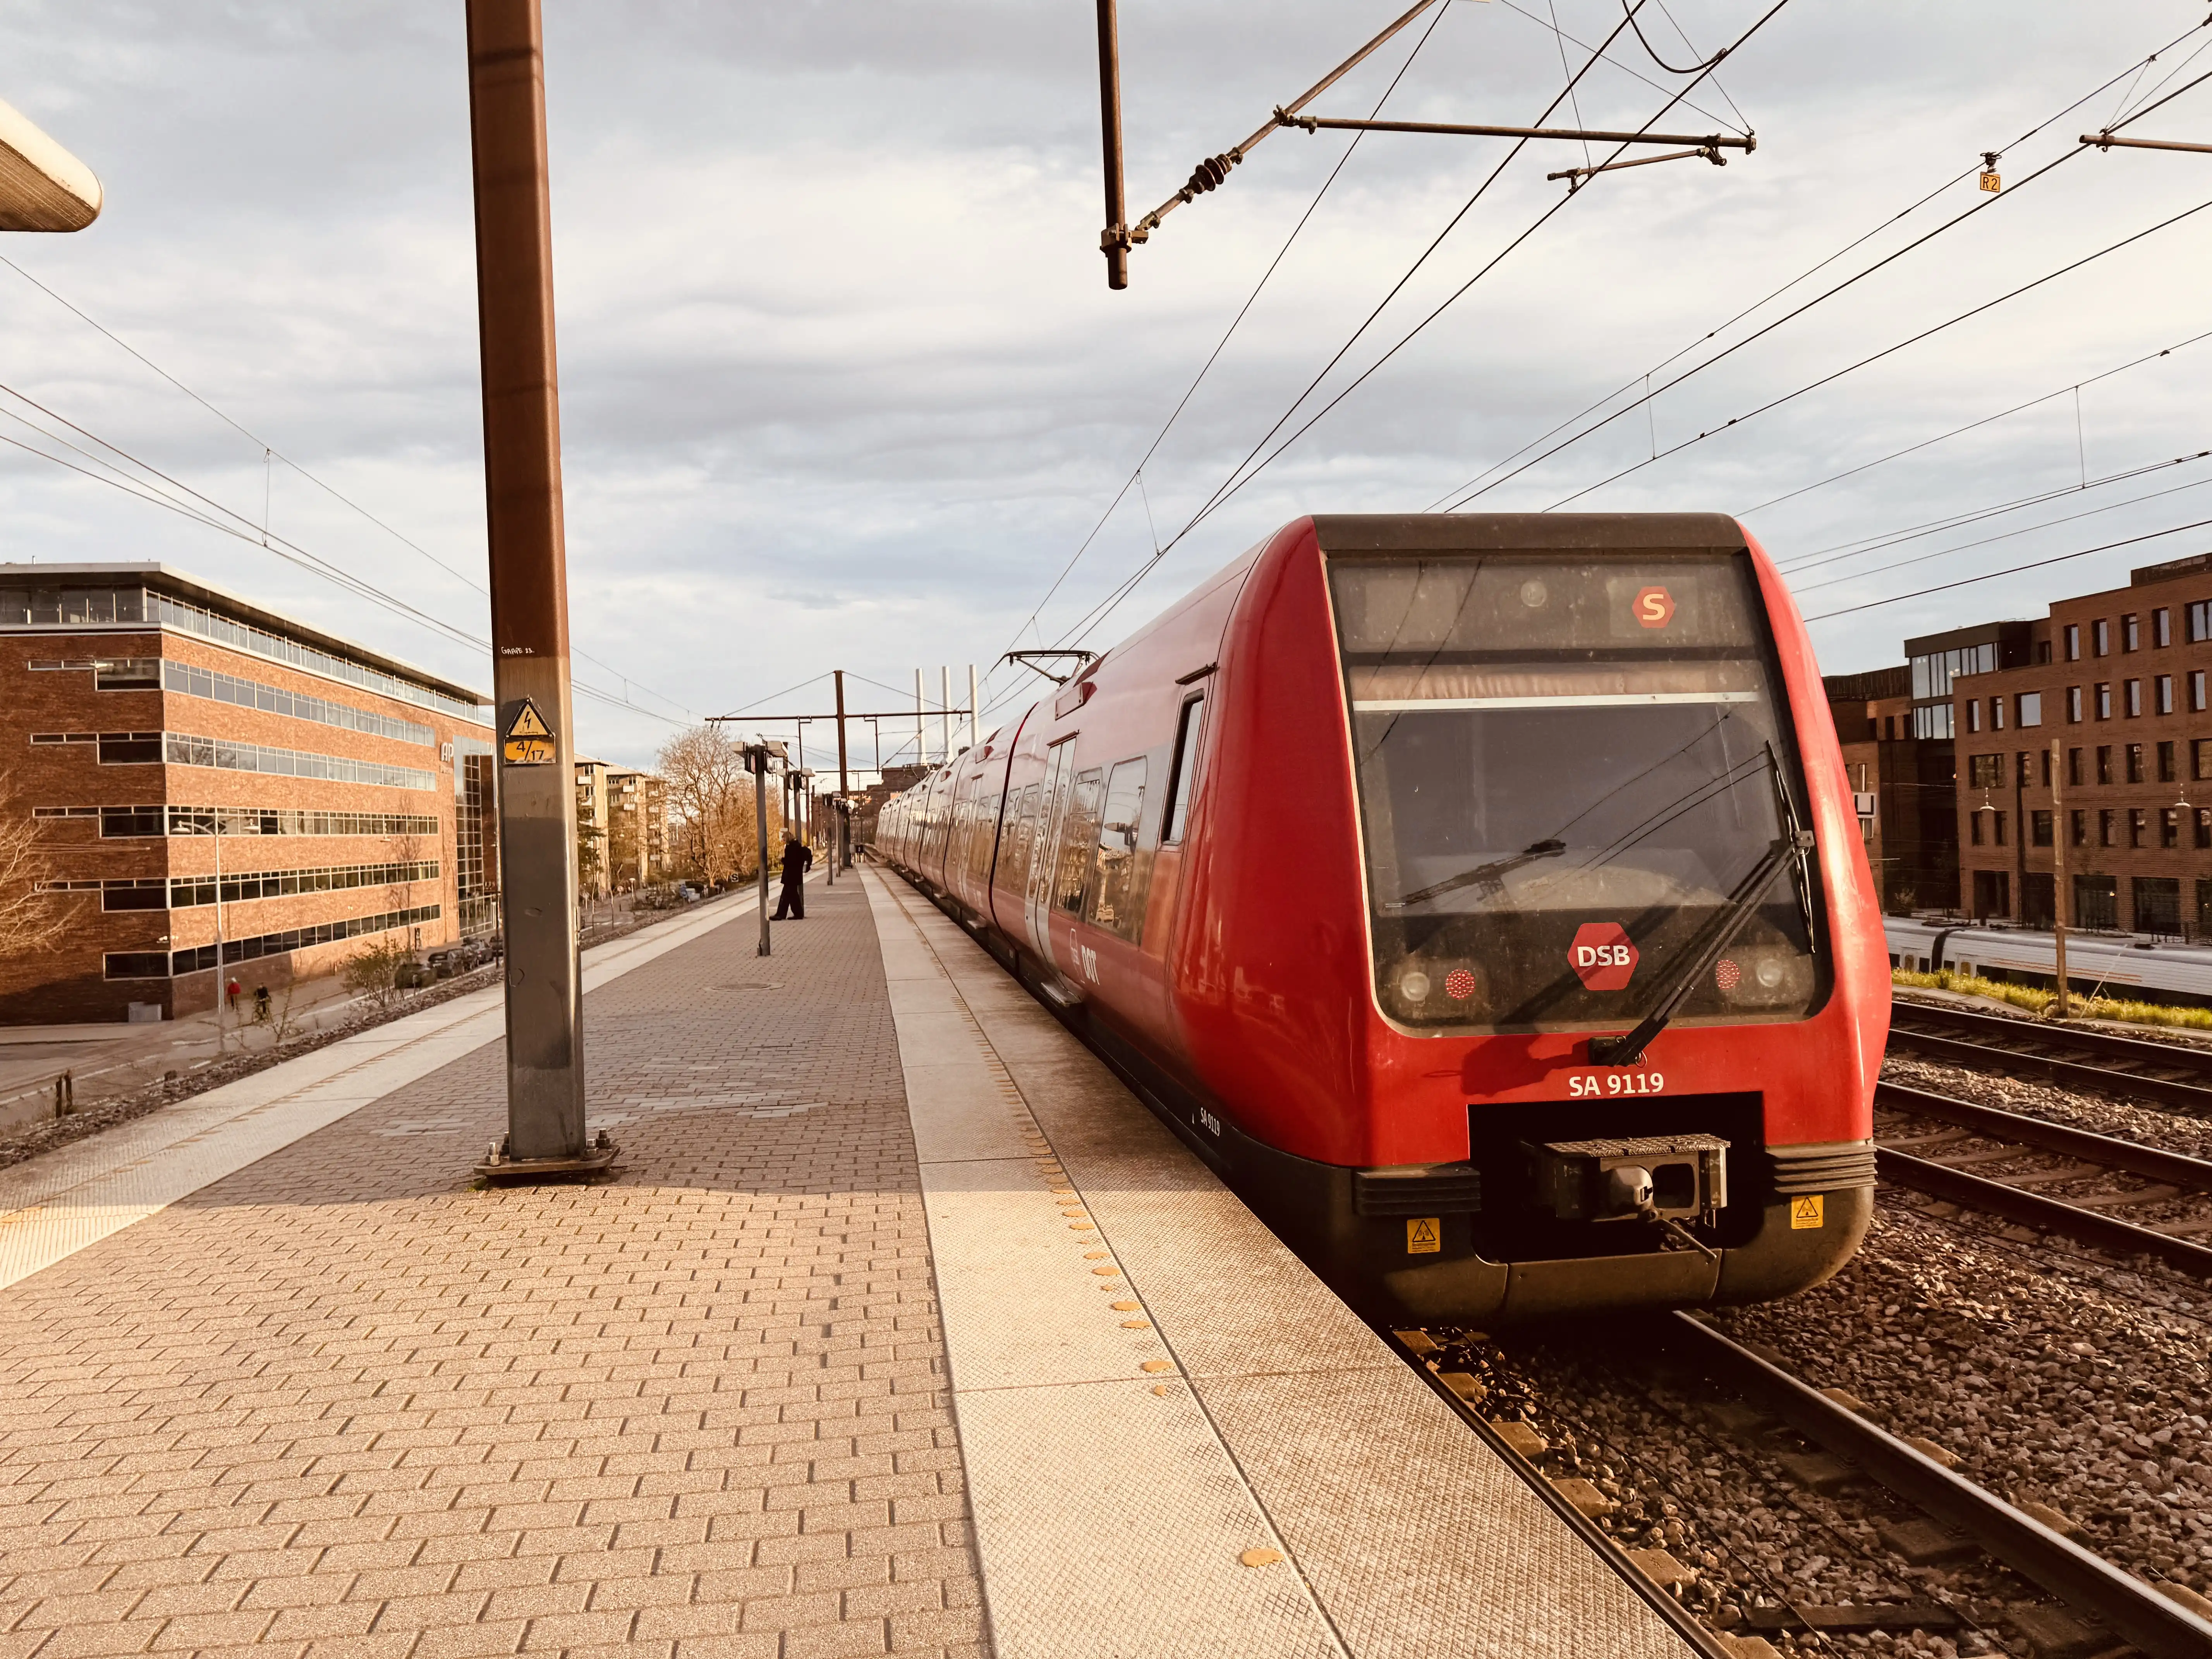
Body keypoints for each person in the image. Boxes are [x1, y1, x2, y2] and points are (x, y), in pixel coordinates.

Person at [772, 832, 813, 920]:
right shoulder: (797, 846)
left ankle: (782, 915)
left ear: (787, 838)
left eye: (784, 838)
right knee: (792, 895)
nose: (783, 840)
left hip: (790, 876)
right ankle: (796, 914)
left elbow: (790, 862)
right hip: (795, 875)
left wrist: (782, 860)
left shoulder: (791, 848)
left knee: (788, 895)